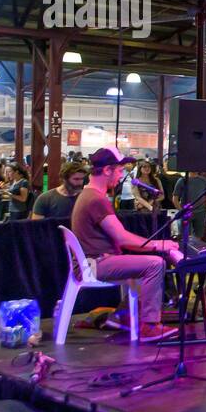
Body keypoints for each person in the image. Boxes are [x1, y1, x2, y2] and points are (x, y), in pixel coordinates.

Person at [71, 146, 183, 343]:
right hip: (94, 264)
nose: (121, 175)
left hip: (92, 261)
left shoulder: (89, 194)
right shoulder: (96, 199)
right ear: (107, 170)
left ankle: (122, 317)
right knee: (155, 264)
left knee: (141, 262)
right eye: (119, 170)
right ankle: (149, 326)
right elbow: (122, 238)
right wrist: (159, 245)